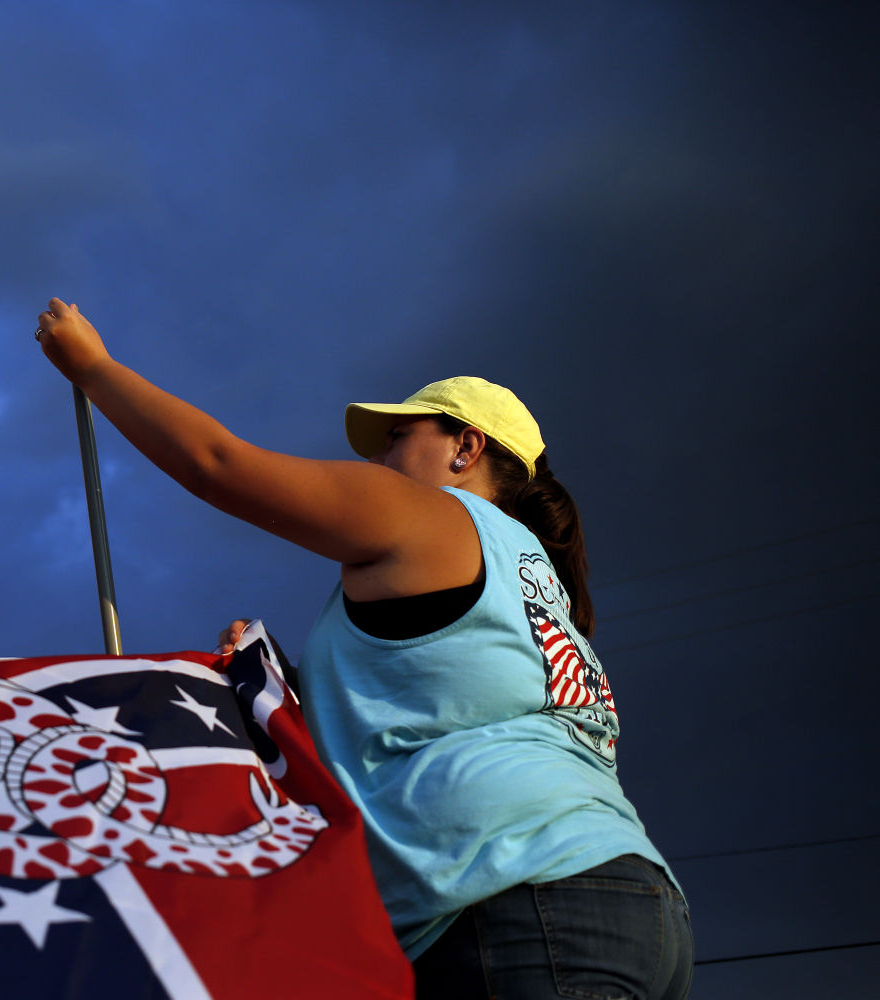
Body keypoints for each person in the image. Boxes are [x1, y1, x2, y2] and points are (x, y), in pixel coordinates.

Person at [34, 298, 693, 999]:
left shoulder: (432, 516)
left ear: (464, 448)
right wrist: (279, 686)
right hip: (633, 903)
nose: (380, 461)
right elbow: (426, 713)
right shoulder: (535, 581)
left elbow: (217, 463)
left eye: (397, 438)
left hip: (517, 906)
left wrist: (96, 369)